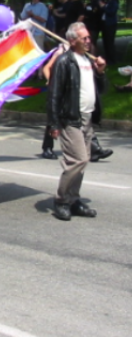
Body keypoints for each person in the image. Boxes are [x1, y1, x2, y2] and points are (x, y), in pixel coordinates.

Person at [48, 22, 106, 221]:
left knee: (83, 162)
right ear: (72, 40)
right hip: (70, 119)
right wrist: (54, 123)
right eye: (84, 38)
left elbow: (100, 90)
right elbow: (55, 94)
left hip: (87, 118)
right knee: (78, 159)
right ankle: (61, 200)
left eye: (89, 38)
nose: (89, 41)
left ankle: (73, 200)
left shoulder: (88, 61)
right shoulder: (65, 61)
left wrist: (101, 72)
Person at [99, 0, 119, 65]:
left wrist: (103, 7)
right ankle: (108, 58)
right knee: (106, 42)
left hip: (110, 24)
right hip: (105, 24)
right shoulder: (108, 2)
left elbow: (111, 12)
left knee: (110, 42)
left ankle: (112, 60)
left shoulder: (114, 2)